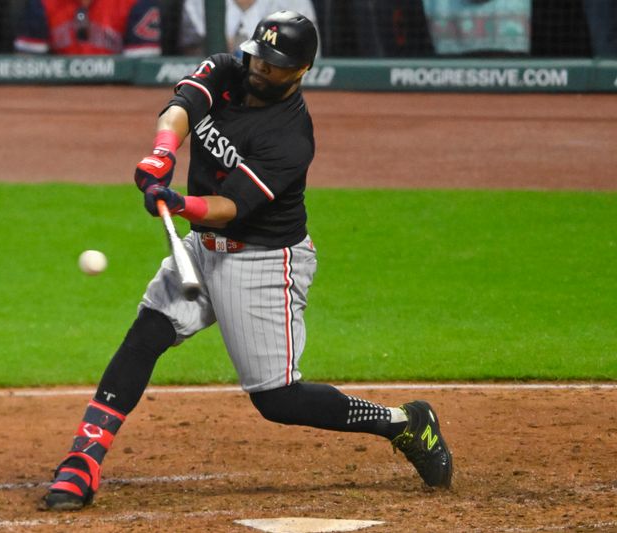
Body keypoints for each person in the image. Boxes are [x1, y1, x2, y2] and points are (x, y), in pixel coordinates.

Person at [41, 10, 453, 511]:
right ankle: (84, 457)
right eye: (259, 55)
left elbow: (229, 208)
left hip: (261, 261)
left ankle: (404, 423)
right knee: (147, 333)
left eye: (276, 64)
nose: (261, 68)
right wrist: (161, 155)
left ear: (302, 71)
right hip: (203, 249)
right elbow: (180, 108)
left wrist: (179, 204)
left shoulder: (290, 137)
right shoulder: (227, 70)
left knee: (277, 399)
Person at [13, 0, 161, 56]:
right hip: (57, 92)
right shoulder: (42, 4)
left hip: (118, 93)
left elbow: (143, 67)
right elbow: (27, 65)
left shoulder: (137, 3)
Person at [178, 0, 319, 57]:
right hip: (219, 84)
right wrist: (212, 47)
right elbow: (189, 55)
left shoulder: (295, 2)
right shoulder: (196, 2)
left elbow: (309, 56)